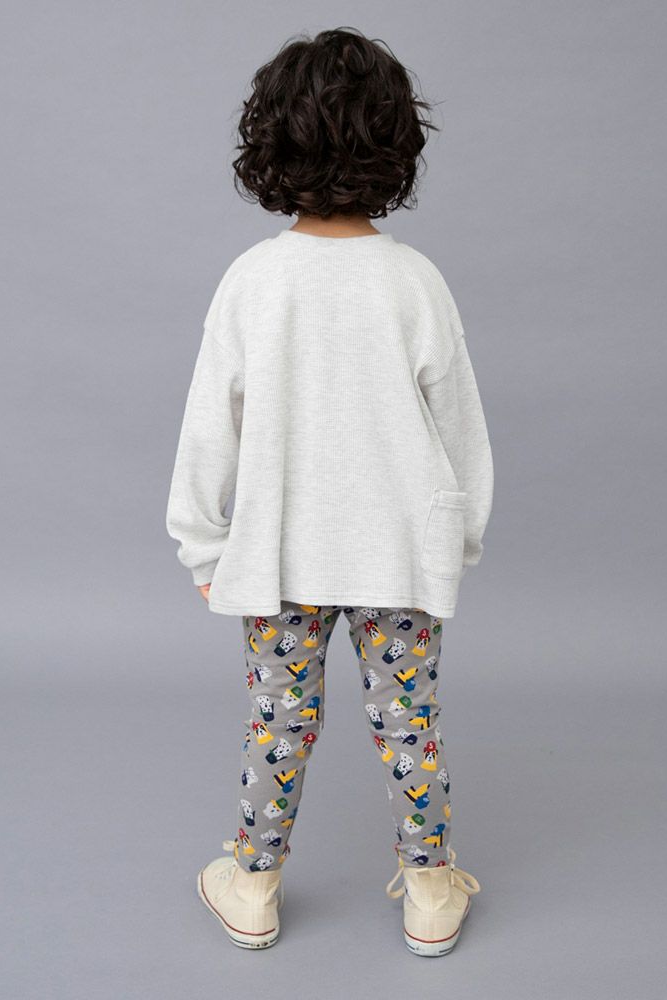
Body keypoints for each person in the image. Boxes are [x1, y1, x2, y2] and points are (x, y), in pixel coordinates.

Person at [165, 26, 492, 956]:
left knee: (278, 721)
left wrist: (202, 544)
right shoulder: (416, 282)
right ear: (397, 145)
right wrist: (457, 543)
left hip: (278, 559)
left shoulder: (253, 280)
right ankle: (430, 888)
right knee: (410, 724)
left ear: (271, 143)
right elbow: (461, 433)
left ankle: (253, 885)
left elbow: (210, 425)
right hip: (400, 557)